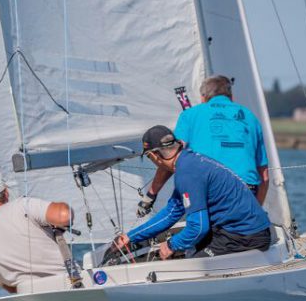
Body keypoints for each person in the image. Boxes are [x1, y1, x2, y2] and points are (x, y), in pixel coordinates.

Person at [116, 126, 271, 259]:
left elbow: (199, 227)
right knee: (189, 249)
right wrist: (131, 237)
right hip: (240, 231)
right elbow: (172, 213)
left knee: (191, 261)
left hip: (244, 236)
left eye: (149, 157)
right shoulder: (188, 160)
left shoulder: (187, 172)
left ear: (155, 156)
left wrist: (171, 245)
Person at [137, 75, 269, 218]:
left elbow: (171, 156)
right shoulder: (250, 117)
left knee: (192, 225)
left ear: (203, 97)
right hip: (247, 193)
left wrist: (151, 195)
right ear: (231, 96)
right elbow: (264, 176)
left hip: (211, 192)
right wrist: (257, 211)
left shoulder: (190, 115)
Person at [0, 171, 72, 293]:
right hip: (71, 286)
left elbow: (11, 288)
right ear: (6, 193)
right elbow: (64, 216)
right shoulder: (23, 206)